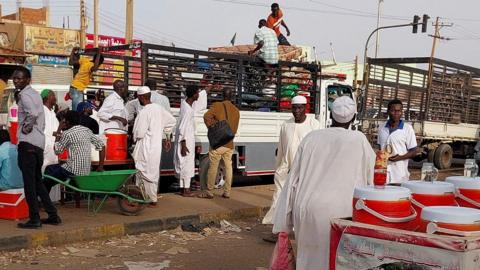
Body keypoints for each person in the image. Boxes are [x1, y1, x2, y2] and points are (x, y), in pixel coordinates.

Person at [273, 96, 375, 270]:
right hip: (342, 212)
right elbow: (369, 180)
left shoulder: (312, 138)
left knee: (308, 258)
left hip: (307, 208)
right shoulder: (359, 140)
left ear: (331, 114)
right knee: (336, 260)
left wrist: (284, 221)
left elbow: (292, 180)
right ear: (353, 118)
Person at [262, 95, 320, 241]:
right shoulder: (286, 125)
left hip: (305, 171)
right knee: (279, 199)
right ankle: (278, 231)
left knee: (300, 203)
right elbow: (281, 148)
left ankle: (299, 232)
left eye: (300, 108)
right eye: (294, 108)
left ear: (305, 108)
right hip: (285, 169)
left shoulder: (315, 125)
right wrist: (279, 167)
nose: (296, 111)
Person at [14, 67, 59, 229]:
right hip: (38, 144)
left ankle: (34, 218)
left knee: (29, 184)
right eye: (15, 78)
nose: (16, 80)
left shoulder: (24, 95)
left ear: (28, 79)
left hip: (27, 143)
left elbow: (32, 114)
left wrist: (26, 127)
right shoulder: (35, 94)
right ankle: (53, 215)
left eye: (20, 78)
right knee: (37, 182)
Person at [132, 86, 176, 206]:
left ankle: (144, 197)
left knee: (142, 171)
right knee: (153, 172)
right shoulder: (159, 109)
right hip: (156, 147)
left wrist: (133, 138)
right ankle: (152, 198)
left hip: (145, 146)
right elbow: (171, 121)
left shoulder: (144, 112)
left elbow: (139, 133)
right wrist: (167, 137)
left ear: (141, 97)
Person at [43, 111, 105, 193]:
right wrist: (100, 166)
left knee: (46, 179)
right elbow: (102, 146)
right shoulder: (87, 130)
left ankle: (44, 200)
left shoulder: (67, 133)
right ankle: (46, 199)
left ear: (67, 122)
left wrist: (59, 129)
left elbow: (57, 151)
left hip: (72, 170)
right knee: (49, 170)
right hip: (86, 170)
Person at [201, 88, 240, 199]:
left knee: (213, 166)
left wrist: (213, 127)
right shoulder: (236, 110)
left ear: (222, 95)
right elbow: (235, 130)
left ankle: (209, 191)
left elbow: (206, 116)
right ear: (231, 97)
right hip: (229, 143)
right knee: (228, 167)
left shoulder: (217, 105)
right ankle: (227, 192)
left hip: (218, 143)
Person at [174, 84, 208, 197]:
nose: (199, 95)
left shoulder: (186, 105)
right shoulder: (187, 110)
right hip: (185, 141)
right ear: (194, 95)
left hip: (186, 139)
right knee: (186, 164)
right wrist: (183, 144)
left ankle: (183, 188)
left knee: (183, 163)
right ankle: (186, 190)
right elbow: (182, 127)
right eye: (197, 93)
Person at [377, 99, 417, 184]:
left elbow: (413, 152)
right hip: (383, 174)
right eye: (393, 111)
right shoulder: (381, 127)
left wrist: (400, 158)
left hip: (400, 176)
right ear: (388, 111)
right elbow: (380, 148)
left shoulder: (407, 128)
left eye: (399, 111)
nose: (396, 113)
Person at [41, 89, 59, 172]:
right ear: (47, 98)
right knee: (45, 171)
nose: (55, 98)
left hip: (53, 147)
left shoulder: (52, 112)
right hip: (47, 147)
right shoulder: (43, 111)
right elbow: (46, 131)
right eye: (53, 95)